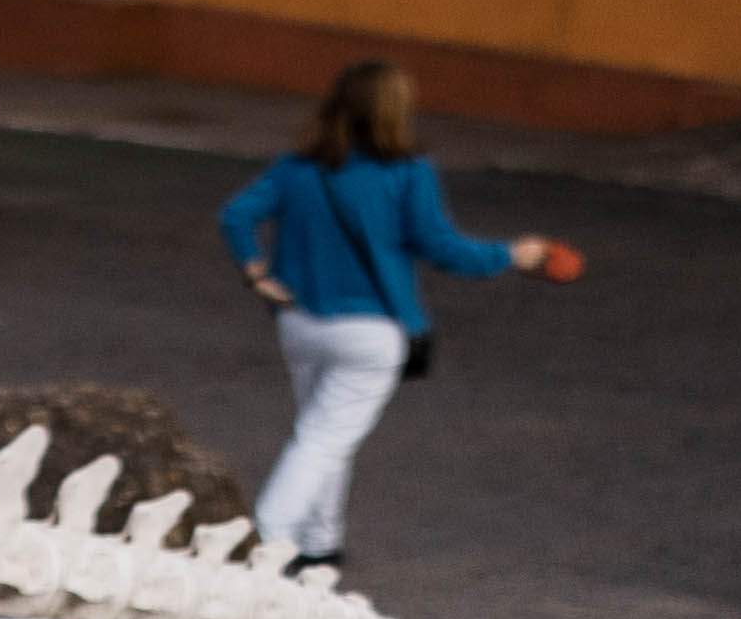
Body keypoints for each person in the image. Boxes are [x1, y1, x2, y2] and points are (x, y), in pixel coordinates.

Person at [217, 61, 562, 574]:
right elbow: (444, 249)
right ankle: (269, 536)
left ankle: (319, 540)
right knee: (323, 438)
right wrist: (514, 255)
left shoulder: (299, 166)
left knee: (320, 429)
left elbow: (236, 215)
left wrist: (255, 271)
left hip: (299, 322)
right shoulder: (407, 172)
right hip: (371, 332)